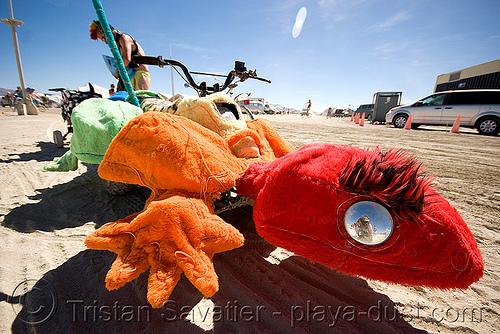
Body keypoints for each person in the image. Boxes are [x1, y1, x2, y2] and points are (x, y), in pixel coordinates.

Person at [90, 20, 150, 91]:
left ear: (109, 31)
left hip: (139, 74)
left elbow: (126, 60)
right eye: (103, 40)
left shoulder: (124, 38)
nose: (106, 42)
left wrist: (117, 71)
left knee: (140, 98)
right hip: (129, 77)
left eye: (103, 38)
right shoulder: (117, 45)